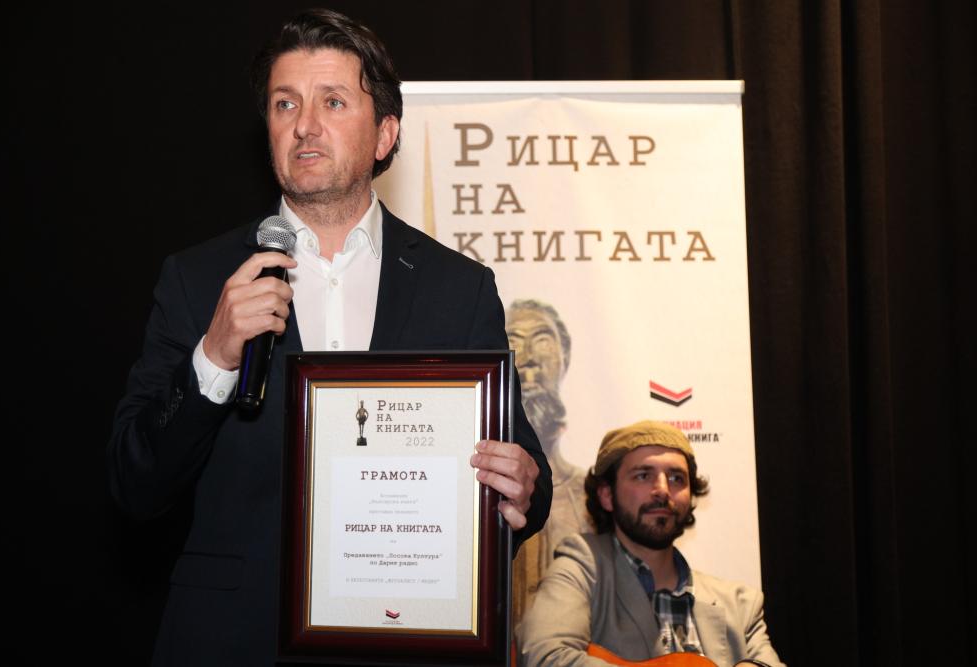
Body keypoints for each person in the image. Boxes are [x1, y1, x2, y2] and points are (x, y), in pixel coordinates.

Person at [107, 9, 551, 665]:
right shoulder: (198, 280)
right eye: (285, 103)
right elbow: (134, 482)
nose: (304, 125)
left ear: (385, 135)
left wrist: (524, 487)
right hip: (235, 641)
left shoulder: (458, 287)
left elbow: (524, 473)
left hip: (405, 641)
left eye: (333, 101)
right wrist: (214, 357)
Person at [517, 421, 784, 667]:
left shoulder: (740, 604)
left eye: (676, 478)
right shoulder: (582, 569)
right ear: (607, 495)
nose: (663, 490)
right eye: (643, 475)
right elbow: (545, 656)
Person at [506, 299, 591, 624]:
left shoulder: (594, 497)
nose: (529, 359)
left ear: (565, 359)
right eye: (514, 342)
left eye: (542, 341)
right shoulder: (475, 497)